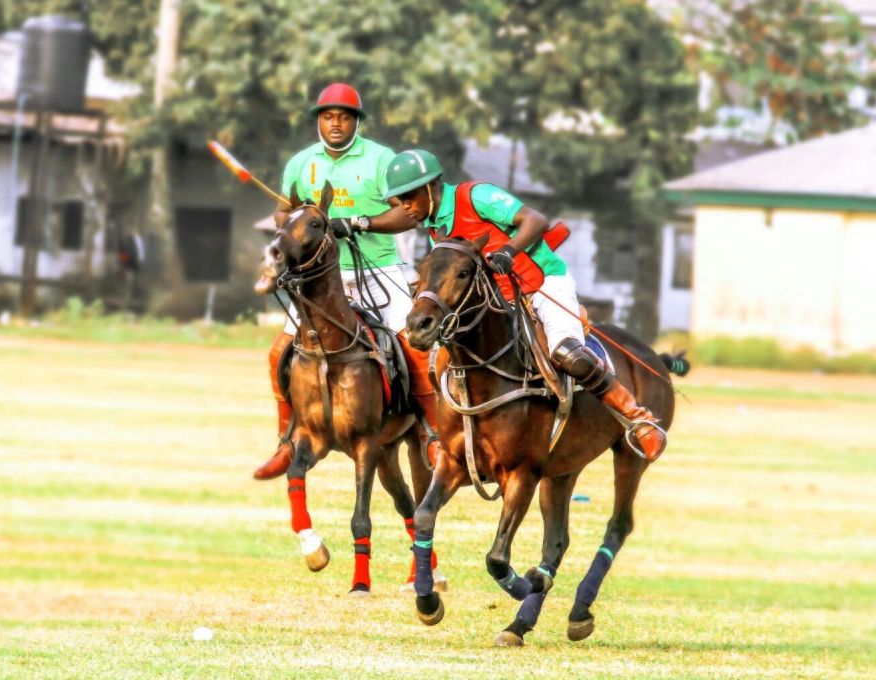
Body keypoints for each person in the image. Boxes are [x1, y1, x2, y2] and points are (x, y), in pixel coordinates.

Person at [376, 148, 666, 461]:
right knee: (441, 361)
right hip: (498, 303)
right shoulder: (436, 228)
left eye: (408, 197)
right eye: (399, 200)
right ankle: (450, 438)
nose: (404, 207)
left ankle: (637, 418)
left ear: (431, 187)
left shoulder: (475, 196)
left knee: (566, 352)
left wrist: (510, 251)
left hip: (541, 283)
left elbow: (535, 220)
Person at [253, 84, 444, 480]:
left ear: (356, 121)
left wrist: (358, 222)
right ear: (319, 120)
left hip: (377, 269)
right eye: (327, 116)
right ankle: (286, 442)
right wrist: (305, 224)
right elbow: (281, 214)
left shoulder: (381, 159)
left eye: (344, 116)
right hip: (320, 280)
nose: (335, 123)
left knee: (413, 348)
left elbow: (408, 213)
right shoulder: (300, 164)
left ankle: (430, 431)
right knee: (279, 352)